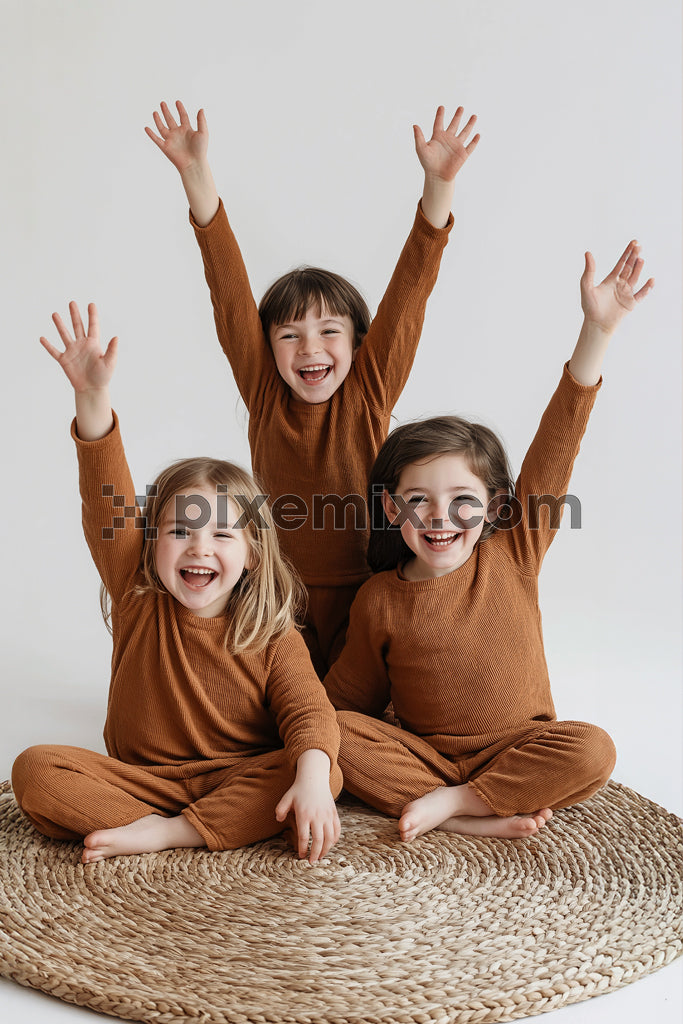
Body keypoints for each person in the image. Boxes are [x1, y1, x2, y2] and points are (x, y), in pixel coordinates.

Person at [323, 241, 654, 842]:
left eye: (462, 501)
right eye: (418, 500)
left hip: (524, 750)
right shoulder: (380, 598)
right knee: (331, 735)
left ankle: (459, 804)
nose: (439, 517)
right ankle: (470, 809)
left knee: (594, 752)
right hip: (425, 757)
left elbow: (557, 447)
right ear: (392, 509)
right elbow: (346, 704)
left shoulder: (513, 551)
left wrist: (597, 331)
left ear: (497, 507)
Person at [146, 100, 479, 676]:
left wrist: (437, 190)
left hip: (367, 589)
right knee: (283, 712)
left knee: (363, 710)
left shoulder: (370, 389)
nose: (310, 350)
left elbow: (410, 295)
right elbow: (229, 296)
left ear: (357, 344)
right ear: (267, 347)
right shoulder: (264, 392)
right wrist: (195, 175)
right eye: (290, 335)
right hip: (280, 594)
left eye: (329, 332)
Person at [12, 302, 342, 865]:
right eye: (180, 531)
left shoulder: (270, 630)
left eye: (221, 534)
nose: (199, 548)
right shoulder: (139, 597)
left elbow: (309, 712)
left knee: (322, 767)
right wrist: (92, 397)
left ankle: (168, 835)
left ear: (254, 554)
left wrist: (310, 777)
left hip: (242, 775)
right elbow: (105, 500)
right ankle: (184, 824)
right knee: (34, 772)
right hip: (140, 781)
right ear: (149, 544)